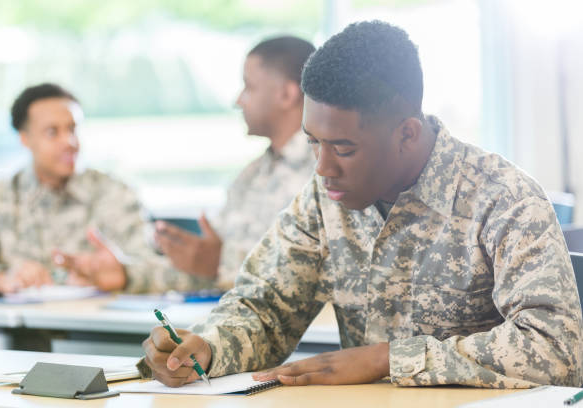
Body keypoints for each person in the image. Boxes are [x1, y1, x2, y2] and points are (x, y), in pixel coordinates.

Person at [141, 21, 583, 388]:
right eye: (313, 142)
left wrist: (387, 359)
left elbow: (557, 349)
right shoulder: (324, 198)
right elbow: (266, 307)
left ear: (407, 133)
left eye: (344, 148)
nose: (322, 167)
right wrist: (208, 347)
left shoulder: (501, 198)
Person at [0, 83, 180, 294]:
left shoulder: (115, 194)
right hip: (13, 325)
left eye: (73, 129)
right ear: (24, 138)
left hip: (95, 324)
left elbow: (165, 271)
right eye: (53, 132)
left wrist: (124, 274)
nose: (69, 141)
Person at [154, 36, 317, 289]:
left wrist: (220, 263)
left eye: (249, 87)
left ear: (287, 94)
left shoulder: (327, 171)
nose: (238, 100)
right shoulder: (251, 175)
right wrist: (126, 273)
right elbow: (204, 265)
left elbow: (313, 275)